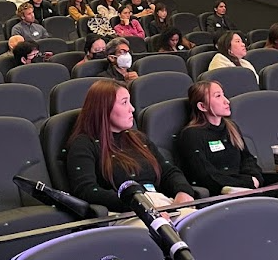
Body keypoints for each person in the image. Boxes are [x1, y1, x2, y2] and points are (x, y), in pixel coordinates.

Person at [65, 79, 196, 212]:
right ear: (104, 108)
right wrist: (138, 206)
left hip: (161, 204)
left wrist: (183, 191)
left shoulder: (137, 138)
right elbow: (86, 190)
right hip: (125, 213)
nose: (132, 109)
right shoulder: (84, 144)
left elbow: (168, 171)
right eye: (124, 103)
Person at [179, 81, 264, 193]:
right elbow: (205, 176)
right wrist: (247, 182)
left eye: (223, 95)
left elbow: (247, 158)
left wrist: (255, 178)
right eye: (218, 96)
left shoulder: (231, 127)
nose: (227, 101)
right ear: (202, 106)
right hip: (223, 192)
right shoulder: (191, 134)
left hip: (247, 186)